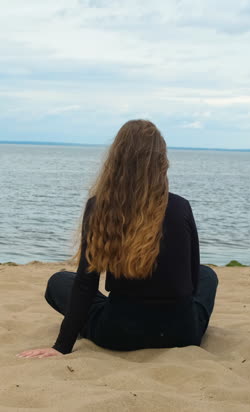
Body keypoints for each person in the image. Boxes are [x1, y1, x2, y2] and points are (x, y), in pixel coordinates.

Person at [16, 119, 218, 359]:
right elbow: (192, 279)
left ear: (116, 160)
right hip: (183, 333)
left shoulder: (100, 207)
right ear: (161, 162)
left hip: (120, 333)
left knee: (59, 281)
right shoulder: (180, 206)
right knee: (207, 275)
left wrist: (62, 346)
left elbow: (85, 283)